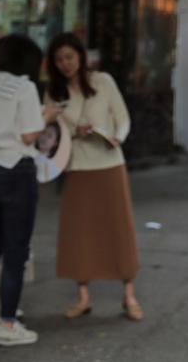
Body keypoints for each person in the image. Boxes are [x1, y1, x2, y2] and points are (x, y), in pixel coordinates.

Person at [0, 35, 59, 346]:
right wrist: (49, 117)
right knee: (16, 249)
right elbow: (29, 134)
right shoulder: (24, 87)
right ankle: (8, 323)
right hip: (16, 170)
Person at [45, 33, 142, 322]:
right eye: (59, 59)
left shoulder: (103, 82)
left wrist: (118, 137)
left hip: (109, 163)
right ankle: (83, 296)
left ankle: (129, 294)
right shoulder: (54, 93)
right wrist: (74, 131)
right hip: (75, 167)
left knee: (118, 228)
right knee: (80, 233)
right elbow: (48, 134)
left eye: (70, 57)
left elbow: (122, 117)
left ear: (81, 57)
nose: (65, 64)